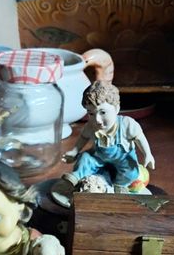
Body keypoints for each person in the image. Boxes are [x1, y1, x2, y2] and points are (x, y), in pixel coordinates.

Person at [50, 80, 155, 208]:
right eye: (91, 113)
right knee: (85, 159)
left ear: (116, 108)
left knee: (132, 171)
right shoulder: (91, 126)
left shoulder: (127, 124)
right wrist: (75, 151)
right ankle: (76, 177)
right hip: (99, 157)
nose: (97, 120)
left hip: (123, 158)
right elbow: (83, 137)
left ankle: (120, 185)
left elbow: (140, 138)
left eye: (103, 112)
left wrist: (148, 154)